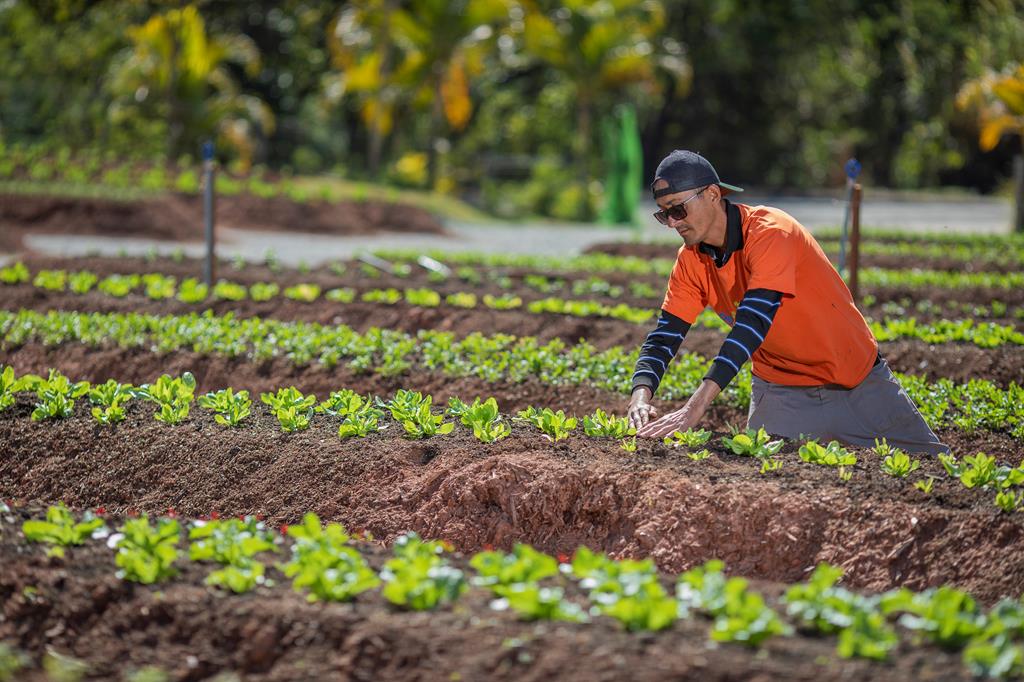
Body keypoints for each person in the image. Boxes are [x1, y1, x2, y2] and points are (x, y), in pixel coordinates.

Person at [627, 150, 948, 455]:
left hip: (857, 383)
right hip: (780, 392)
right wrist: (640, 398)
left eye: (677, 209)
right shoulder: (690, 261)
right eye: (663, 214)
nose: (672, 222)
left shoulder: (772, 232)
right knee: (762, 489)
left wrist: (694, 408)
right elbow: (665, 337)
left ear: (712, 194)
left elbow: (753, 322)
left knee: (934, 474)